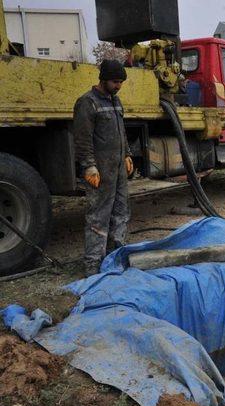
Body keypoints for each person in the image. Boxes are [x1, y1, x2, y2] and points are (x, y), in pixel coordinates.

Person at [73, 59, 134, 276]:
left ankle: (114, 258)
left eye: (121, 82)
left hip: (117, 170)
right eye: (115, 81)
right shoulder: (87, 103)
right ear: (103, 79)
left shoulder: (115, 101)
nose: (119, 86)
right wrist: (89, 166)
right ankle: (93, 268)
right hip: (100, 171)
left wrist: (126, 153)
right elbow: (82, 139)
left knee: (121, 213)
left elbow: (121, 131)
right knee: (98, 217)